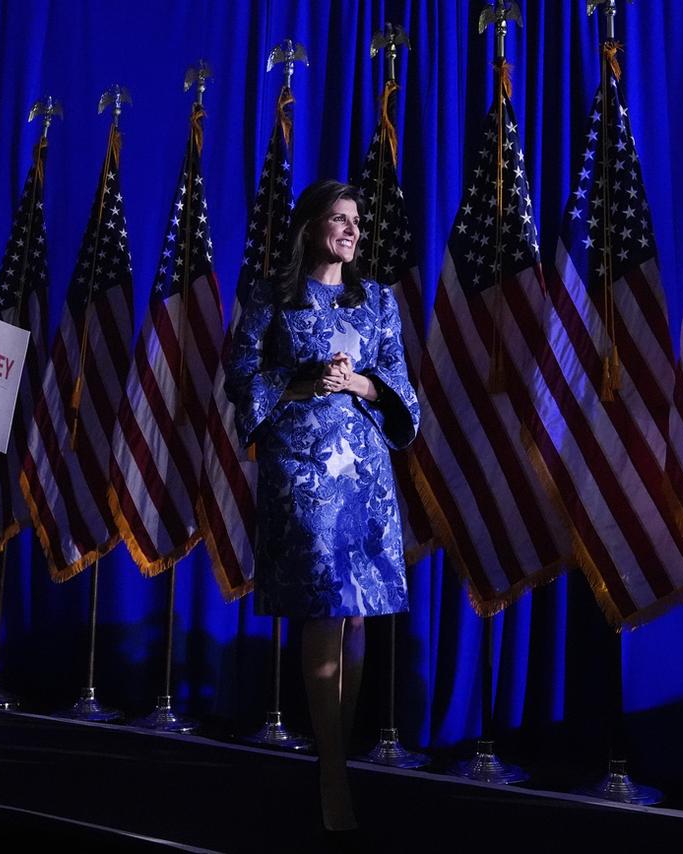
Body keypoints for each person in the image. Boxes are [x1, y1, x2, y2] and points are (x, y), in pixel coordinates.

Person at [224, 179, 419, 833]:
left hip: (366, 472)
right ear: (310, 227)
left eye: (356, 221)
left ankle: (332, 750)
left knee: (357, 616)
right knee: (324, 605)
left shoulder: (377, 301)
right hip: (304, 471)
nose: (351, 229)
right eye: (338, 218)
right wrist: (304, 381)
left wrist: (356, 380)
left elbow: (397, 382)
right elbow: (241, 372)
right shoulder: (272, 297)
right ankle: (333, 770)